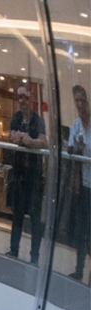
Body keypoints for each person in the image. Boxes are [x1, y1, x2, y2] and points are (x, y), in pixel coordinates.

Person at [7, 85, 48, 263]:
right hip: (19, 174)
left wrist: (29, 141)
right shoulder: (16, 117)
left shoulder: (38, 120)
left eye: (24, 97)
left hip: (34, 176)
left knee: (35, 218)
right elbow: (12, 137)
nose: (21, 101)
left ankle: (34, 256)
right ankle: (13, 250)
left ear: (31, 99)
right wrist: (27, 140)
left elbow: (43, 141)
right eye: (19, 97)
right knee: (17, 215)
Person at [68, 85, 90, 282]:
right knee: (82, 231)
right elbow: (70, 148)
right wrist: (76, 148)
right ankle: (79, 269)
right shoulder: (76, 124)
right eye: (77, 101)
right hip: (83, 184)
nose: (80, 104)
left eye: (82, 100)